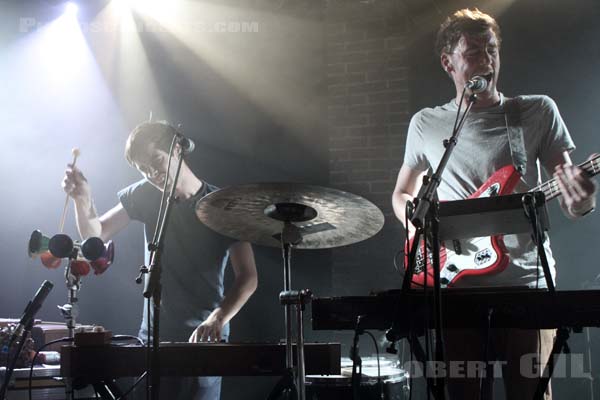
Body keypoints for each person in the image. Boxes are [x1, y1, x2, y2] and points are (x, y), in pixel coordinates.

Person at [391, 8, 597, 400]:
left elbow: (569, 192)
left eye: (492, 50)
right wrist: (414, 223)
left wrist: (582, 201)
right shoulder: (426, 124)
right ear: (448, 63)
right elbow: (401, 194)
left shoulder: (536, 111)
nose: (486, 60)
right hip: (452, 287)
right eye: (473, 53)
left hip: (526, 283)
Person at [62, 121, 258, 400]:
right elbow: (97, 235)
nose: (152, 173)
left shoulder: (222, 205)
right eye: (143, 168)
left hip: (204, 336)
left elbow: (248, 277)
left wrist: (218, 318)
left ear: (177, 148)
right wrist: (83, 199)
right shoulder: (145, 193)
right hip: (153, 335)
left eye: (156, 160)